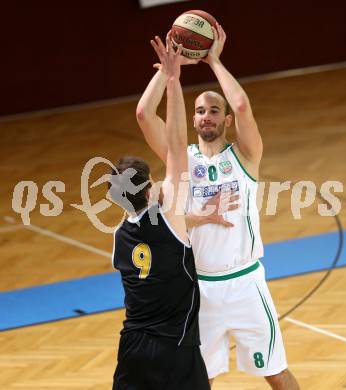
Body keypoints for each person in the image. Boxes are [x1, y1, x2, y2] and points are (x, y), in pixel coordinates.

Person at [136, 23, 300, 389]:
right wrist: (166, 74)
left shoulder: (246, 156)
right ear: (192, 119)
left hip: (245, 283)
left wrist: (214, 61)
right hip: (201, 288)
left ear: (225, 120)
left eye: (213, 110)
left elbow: (241, 103)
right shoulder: (180, 159)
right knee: (198, 380)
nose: (206, 116)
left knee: (276, 373)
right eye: (199, 111)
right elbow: (145, 115)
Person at [110, 35, 210, 390]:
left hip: (132, 346)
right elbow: (178, 142)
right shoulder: (169, 215)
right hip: (175, 346)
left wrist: (169, 72)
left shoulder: (119, 235)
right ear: (151, 187)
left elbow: (141, 113)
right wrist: (173, 80)